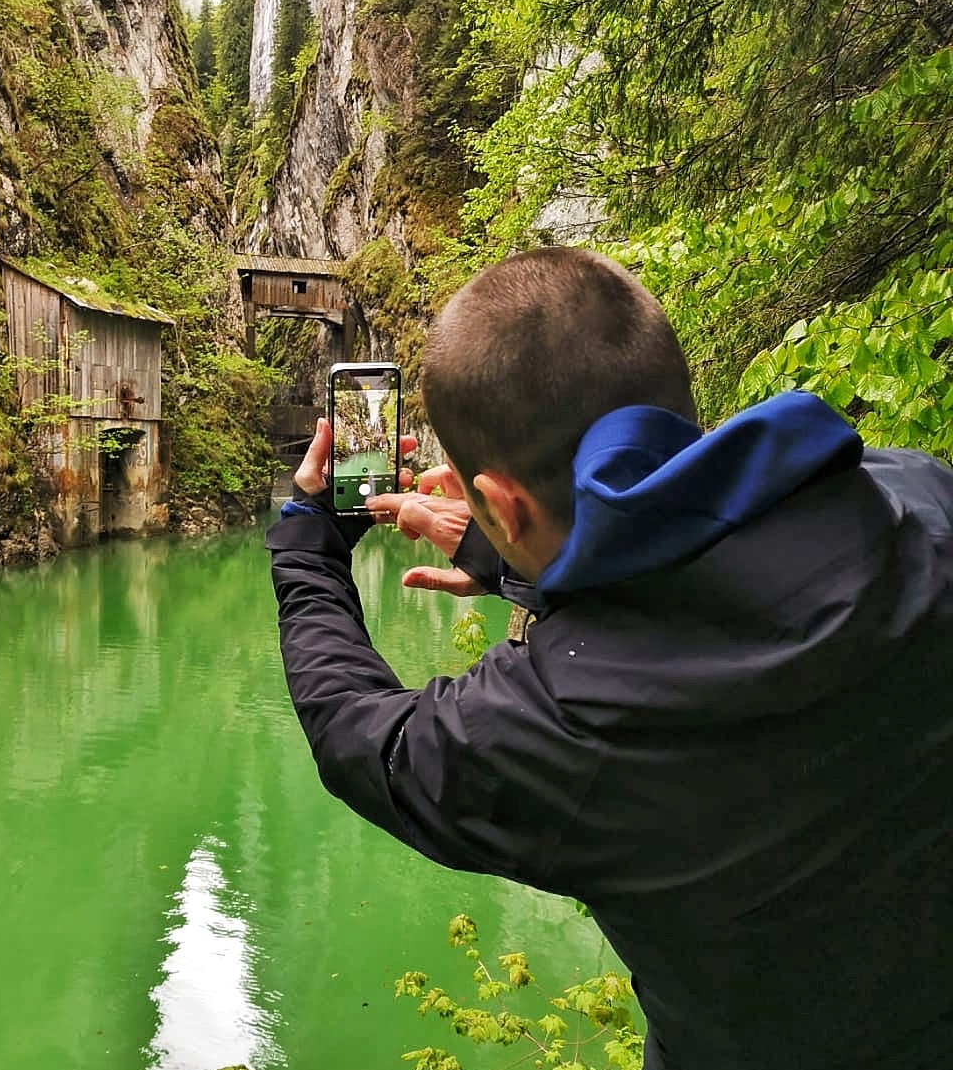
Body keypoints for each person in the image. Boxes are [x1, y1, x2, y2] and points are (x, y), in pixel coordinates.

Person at [265, 246, 953, 1070]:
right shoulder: (918, 499)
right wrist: (511, 558)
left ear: (503, 504)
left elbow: (359, 734)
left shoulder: (564, 722)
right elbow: (698, 579)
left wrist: (309, 535)